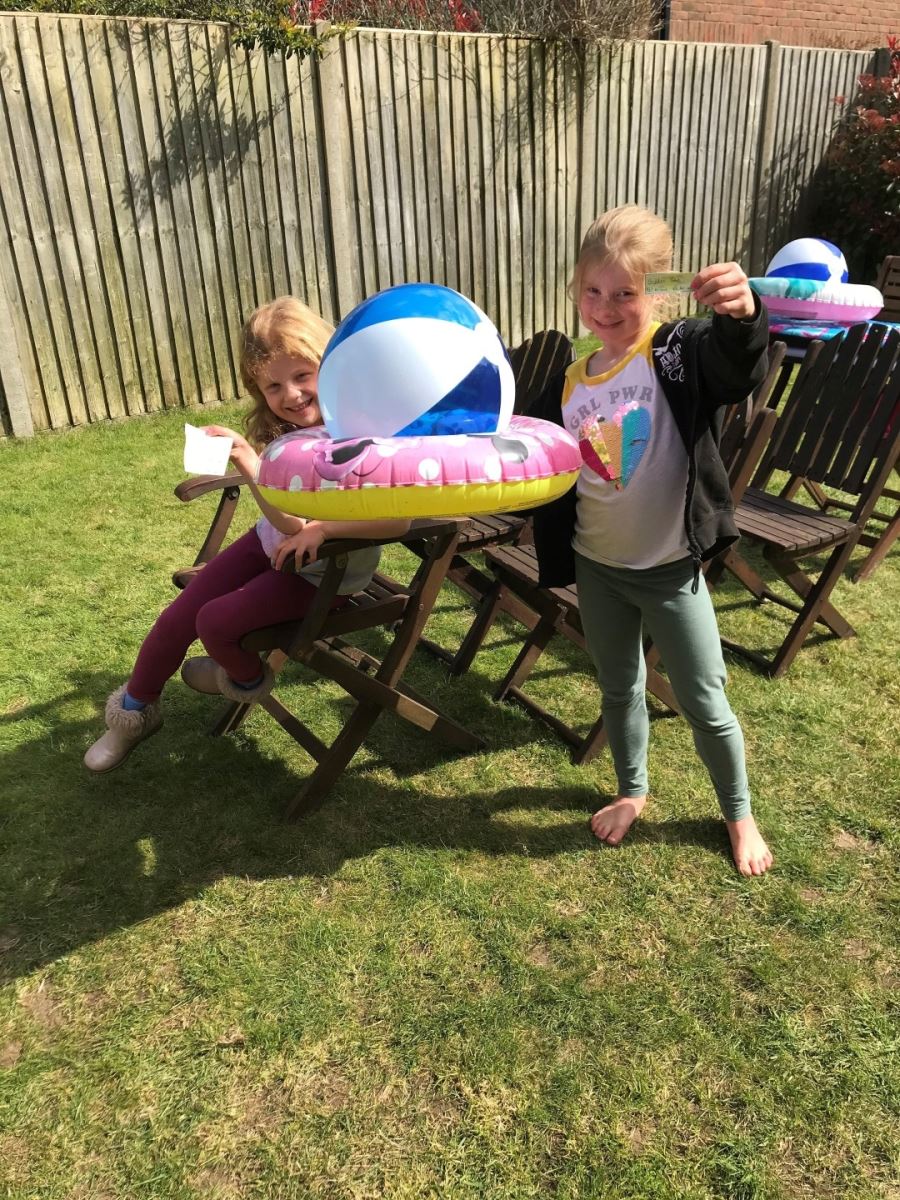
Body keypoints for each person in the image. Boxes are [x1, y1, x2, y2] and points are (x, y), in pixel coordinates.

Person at [527, 205, 773, 876]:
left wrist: (743, 315)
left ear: (656, 292)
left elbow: (735, 367)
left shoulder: (675, 352)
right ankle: (632, 789)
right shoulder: (568, 383)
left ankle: (738, 812)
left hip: (669, 570)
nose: (606, 308)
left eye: (626, 294)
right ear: (576, 290)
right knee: (618, 686)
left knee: (703, 700)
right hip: (597, 566)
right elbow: (534, 454)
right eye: (593, 292)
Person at [84, 296, 410, 773]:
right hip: (272, 541)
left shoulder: (367, 434)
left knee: (215, 623)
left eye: (303, 375)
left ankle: (242, 676)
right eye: (273, 385)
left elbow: (396, 522)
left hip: (326, 574)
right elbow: (284, 524)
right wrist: (244, 455)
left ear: (332, 364)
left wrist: (324, 527)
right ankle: (132, 716)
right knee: (178, 618)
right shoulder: (285, 431)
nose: (292, 394)